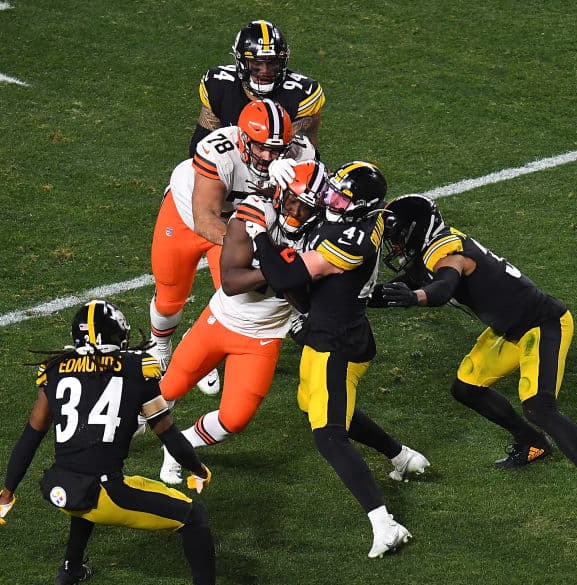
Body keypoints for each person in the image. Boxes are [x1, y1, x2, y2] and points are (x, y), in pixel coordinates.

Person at [0, 299, 255, 585]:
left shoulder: (56, 369)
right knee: (194, 517)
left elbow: (30, 437)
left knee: (89, 479)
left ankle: (71, 568)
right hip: (104, 493)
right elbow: (168, 434)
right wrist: (198, 469)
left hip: (58, 488)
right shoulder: (135, 369)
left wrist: (7, 492)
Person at [157, 160, 429, 489]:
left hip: (265, 335)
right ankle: (112, 437)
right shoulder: (256, 211)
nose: (296, 212)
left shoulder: (331, 224)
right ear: (280, 193)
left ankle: (179, 446)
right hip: (221, 320)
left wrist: (289, 272)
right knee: (165, 391)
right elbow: (230, 281)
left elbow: (309, 290)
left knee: (234, 419)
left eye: (306, 206)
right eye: (291, 201)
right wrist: (280, 269)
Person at [374, 194, 577, 519]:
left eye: (396, 238)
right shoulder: (431, 248)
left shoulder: (448, 252)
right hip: (509, 330)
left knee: (540, 408)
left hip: (542, 325)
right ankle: (531, 442)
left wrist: (417, 297)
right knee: (466, 388)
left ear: (415, 231)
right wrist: (348, 298)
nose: (393, 246)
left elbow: (442, 288)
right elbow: (399, 289)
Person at [249, 160, 418, 558]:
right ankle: (402, 457)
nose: (332, 201)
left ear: (361, 207)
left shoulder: (351, 241)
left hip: (336, 343)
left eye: (342, 198)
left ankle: (385, 524)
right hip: (336, 330)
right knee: (315, 406)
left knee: (328, 436)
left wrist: (259, 235)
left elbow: (286, 277)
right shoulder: (368, 217)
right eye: (332, 192)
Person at [148, 98, 317, 396]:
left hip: (245, 223)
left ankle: (197, 343)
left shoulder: (300, 153)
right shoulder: (218, 151)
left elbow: (312, 197)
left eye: (276, 149)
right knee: (169, 298)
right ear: (243, 139)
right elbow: (205, 219)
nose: (267, 156)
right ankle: (159, 346)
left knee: (236, 295)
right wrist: (256, 246)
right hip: (190, 215)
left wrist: (293, 181)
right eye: (261, 147)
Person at [188, 19, 325, 158]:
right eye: (256, 63)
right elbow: (201, 146)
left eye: (272, 63)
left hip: (278, 163)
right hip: (231, 161)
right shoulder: (219, 85)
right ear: (240, 61)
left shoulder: (301, 94)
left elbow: (301, 155)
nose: (265, 71)